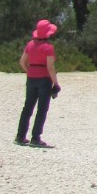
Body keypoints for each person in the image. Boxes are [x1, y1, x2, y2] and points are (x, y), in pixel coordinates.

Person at [16, 19, 60, 148]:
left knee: (27, 107)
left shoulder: (30, 44)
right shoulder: (48, 48)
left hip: (31, 77)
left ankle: (20, 136)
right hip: (44, 79)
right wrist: (55, 83)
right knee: (42, 109)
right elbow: (50, 67)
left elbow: (22, 62)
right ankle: (35, 137)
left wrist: (29, 71)